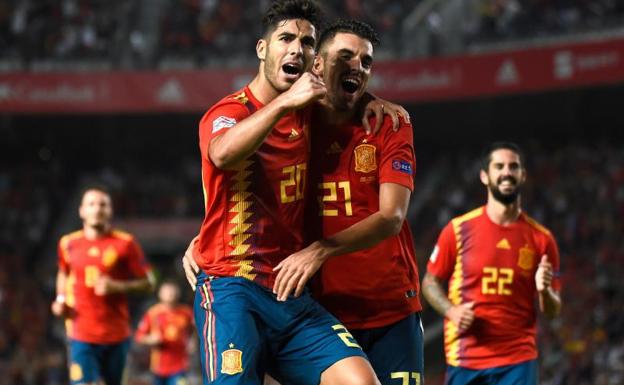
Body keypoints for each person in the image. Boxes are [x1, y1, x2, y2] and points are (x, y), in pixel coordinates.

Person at [187, 1, 402, 384]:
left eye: (307, 42)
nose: (296, 49)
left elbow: (346, 90)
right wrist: (285, 102)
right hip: (230, 286)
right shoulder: (229, 111)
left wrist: (373, 100)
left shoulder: (310, 112)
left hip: (289, 290)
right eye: (286, 38)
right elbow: (221, 154)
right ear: (262, 49)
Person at [268, 19, 424, 385]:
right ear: (317, 64)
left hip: (390, 309)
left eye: (366, 61)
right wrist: (206, 240)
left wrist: (321, 249)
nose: (357, 66)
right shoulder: (287, 123)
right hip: (320, 313)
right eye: (345, 55)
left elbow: (392, 216)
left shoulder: (390, 122)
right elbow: (243, 192)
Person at [421, 142, 562, 385]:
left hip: (518, 359)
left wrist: (545, 290)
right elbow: (430, 282)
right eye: (499, 166)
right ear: (485, 176)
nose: (506, 172)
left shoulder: (542, 239)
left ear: (523, 175)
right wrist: (451, 310)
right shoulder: (458, 230)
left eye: (513, 166)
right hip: (466, 358)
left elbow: (552, 310)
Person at [51, 186, 155, 385]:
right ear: (81, 210)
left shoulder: (126, 243)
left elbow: (149, 284)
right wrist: (60, 299)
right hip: (80, 333)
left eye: (103, 204)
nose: (97, 209)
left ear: (110, 210)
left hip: (117, 333)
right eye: (91, 204)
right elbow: (63, 273)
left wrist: (117, 287)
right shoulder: (67, 244)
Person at [135, 281, 195, 385]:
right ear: (160, 294)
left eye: (172, 290)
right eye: (167, 291)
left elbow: (194, 328)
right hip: (158, 366)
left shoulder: (186, 312)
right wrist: (151, 339)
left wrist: (192, 340)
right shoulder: (153, 313)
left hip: (180, 365)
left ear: (178, 292)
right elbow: (139, 337)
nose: (170, 293)